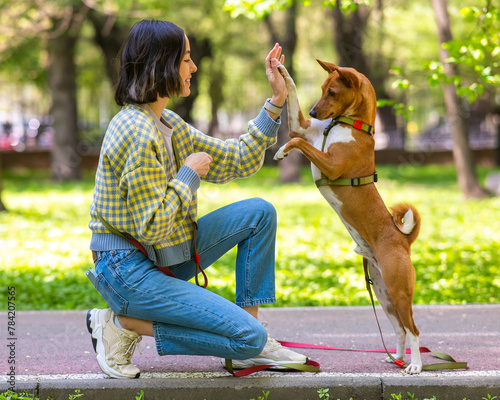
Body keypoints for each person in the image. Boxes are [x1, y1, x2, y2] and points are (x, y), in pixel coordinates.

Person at [85, 19, 309, 379]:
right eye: (186, 59)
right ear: (162, 64)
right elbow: (153, 227)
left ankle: (252, 342)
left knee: (259, 214)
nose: (194, 67)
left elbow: (237, 157)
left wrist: (276, 101)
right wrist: (187, 176)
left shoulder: (167, 122)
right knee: (247, 338)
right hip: (126, 269)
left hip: (162, 255)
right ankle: (122, 323)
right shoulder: (135, 133)